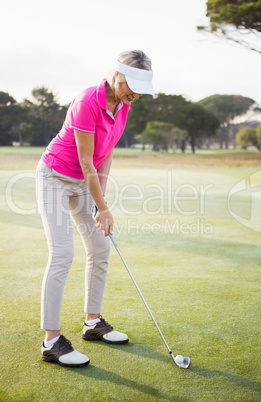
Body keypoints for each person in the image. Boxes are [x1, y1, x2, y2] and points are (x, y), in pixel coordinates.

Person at [36, 49, 154, 368]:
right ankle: (51, 341)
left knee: (100, 249)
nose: (135, 96)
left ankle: (92, 323)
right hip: (55, 178)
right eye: (132, 88)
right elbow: (86, 160)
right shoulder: (88, 101)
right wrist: (101, 207)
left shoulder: (123, 104)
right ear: (117, 76)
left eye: (140, 91)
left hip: (83, 182)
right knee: (62, 253)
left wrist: (102, 202)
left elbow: (106, 155)